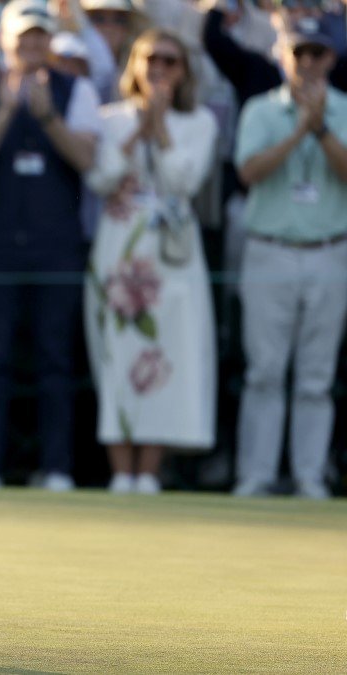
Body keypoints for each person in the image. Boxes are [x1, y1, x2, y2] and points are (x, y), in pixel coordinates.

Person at [0, 0, 101, 491]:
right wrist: (6, 110)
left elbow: (86, 159)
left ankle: (57, 467)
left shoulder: (76, 90)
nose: (32, 44)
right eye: (23, 36)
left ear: (51, 39)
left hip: (57, 246)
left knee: (56, 358)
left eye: (40, 35)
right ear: (4, 40)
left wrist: (47, 115)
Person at [84, 30, 217, 495]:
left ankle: (149, 472)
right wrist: (139, 130)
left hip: (171, 253)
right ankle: (121, 471)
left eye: (170, 60)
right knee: (116, 352)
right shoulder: (110, 118)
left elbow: (185, 182)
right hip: (119, 246)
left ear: (184, 71)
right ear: (135, 65)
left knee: (166, 351)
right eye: (151, 59)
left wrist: (161, 129)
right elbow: (101, 178)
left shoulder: (199, 121)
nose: (159, 68)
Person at [232, 22, 347, 500]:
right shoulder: (261, 110)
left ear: (331, 59)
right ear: (285, 58)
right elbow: (249, 171)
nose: (308, 63)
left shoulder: (344, 110)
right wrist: (300, 128)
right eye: (300, 54)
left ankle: (309, 476)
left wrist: (320, 129)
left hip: (328, 251)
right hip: (270, 250)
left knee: (316, 377)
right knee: (264, 371)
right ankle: (256, 475)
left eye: (317, 54)